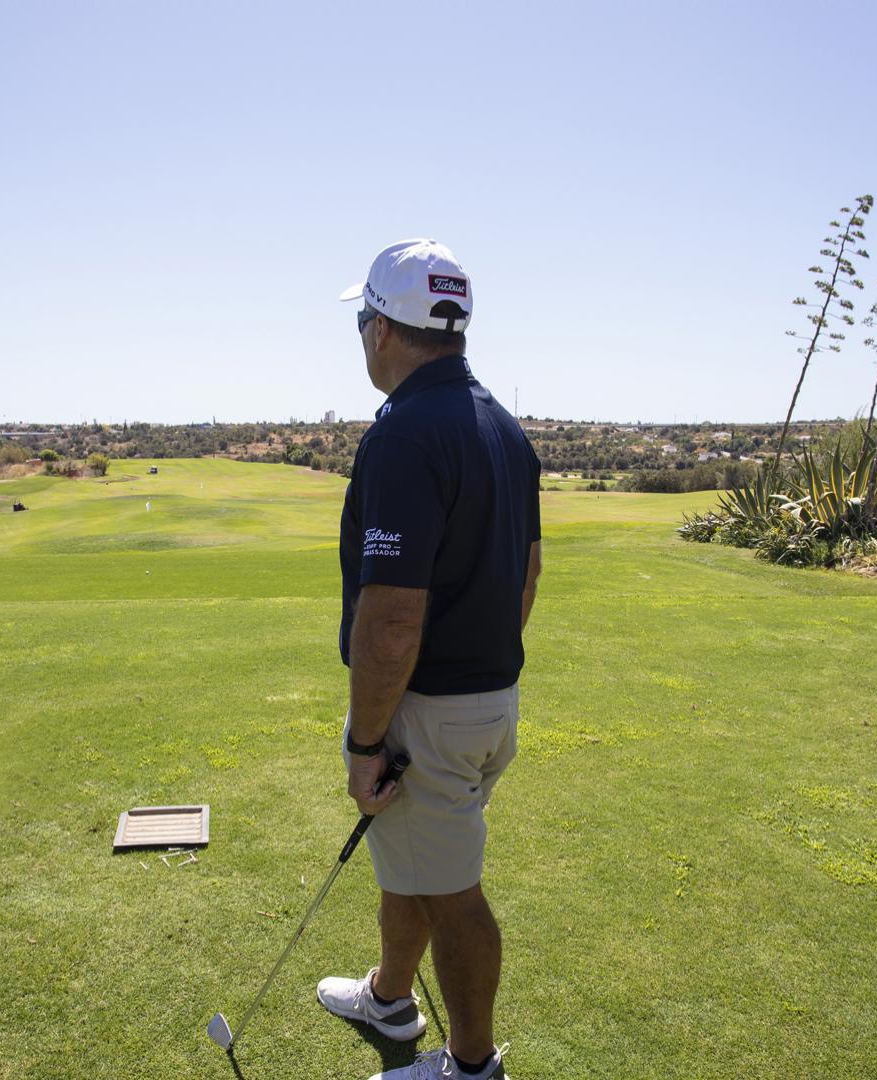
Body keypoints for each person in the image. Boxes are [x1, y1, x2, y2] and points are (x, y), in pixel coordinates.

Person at [319, 240, 542, 1080]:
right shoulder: (502, 427)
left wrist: (366, 740)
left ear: (383, 328)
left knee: (455, 895)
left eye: (362, 318)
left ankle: (473, 1067)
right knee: (416, 856)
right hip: (490, 703)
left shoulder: (405, 435)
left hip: (430, 714)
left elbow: (389, 625)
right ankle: (389, 997)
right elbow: (527, 576)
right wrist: (484, 667)